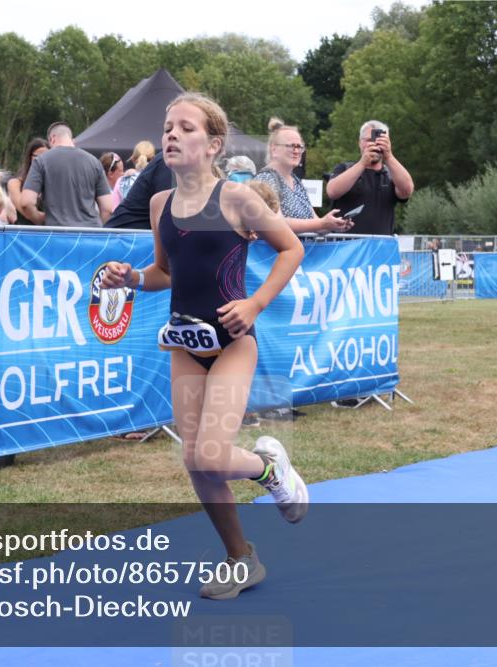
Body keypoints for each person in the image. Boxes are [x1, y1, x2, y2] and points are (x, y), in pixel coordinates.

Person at [100, 93, 309, 600]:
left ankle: (271, 469)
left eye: (185, 127)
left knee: (212, 457)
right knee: (196, 462)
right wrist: (131, 279)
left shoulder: (237, 199)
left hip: (233, 344)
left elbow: (292, 248)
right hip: (185, 345)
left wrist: (255, 303)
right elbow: (165, 272)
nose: (171, 134)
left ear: (214, 144)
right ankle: (242, 559)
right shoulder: (159, 205)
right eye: (167, 126)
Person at [254, 118, 350, 234]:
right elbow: (276, 222)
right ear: (274, 149)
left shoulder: (296, 182)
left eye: (299, 147)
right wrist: (322, 223)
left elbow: (315, 223)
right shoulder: (265, 179)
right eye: (291, 146)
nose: (296, 151)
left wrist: (334, 225)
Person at [325, 120, 414, 235]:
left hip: (380, 244)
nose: (374, 144)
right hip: (346, 243)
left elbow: (407, 191)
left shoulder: (391, 174)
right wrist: (363, 163)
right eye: (368, 140)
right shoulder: (345, 168)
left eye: (380, 140)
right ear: (360, 143)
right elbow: (332, 191)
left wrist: (389, 156)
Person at [20, 122, 113, 227]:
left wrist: (41, 221)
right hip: (89, 232)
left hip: (57, 232)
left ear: (52, 139)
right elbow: (108, 208)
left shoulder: (41, 161)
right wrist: (96, 229)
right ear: (72, 140)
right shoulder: (94, 162)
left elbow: (26, 202)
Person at [105, 151, 174, 229]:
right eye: (121, 171)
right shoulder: (168, 163)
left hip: (126, 230)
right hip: (128, 233)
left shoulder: (123, 180)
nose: (123, 173)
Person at [8, 138, 49, 225]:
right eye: (37, 156)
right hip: (24, 231)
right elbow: (25, 211)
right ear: (30, 157)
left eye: (46, 156)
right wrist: (46, 219)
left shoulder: (53, 183)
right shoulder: (15, 183)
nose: (42, 160)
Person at [113, 140, 156, 205]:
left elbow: (115, 208)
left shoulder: (121, 181)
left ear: (133, 159)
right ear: (154, 159)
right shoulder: (160, 180)